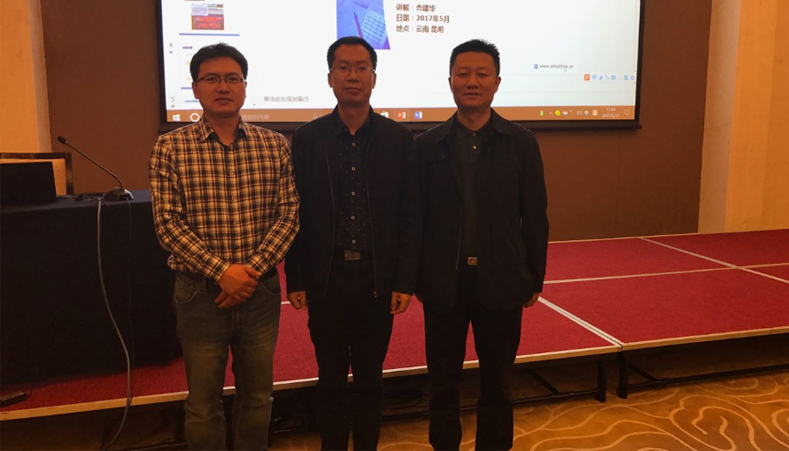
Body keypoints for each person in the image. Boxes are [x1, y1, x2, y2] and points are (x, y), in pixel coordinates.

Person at [149, 43, 299, 451]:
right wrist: (223, 273)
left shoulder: (275, 145)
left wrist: (248, 273)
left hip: (259, 293)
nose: (223, 86)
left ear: (245, 87)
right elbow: (167, 224)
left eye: (232, 78)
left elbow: (289, 215)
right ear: (195, 88)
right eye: (212, 79)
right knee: (202, 403)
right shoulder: (170, 147)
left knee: (258, 397)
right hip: (199, 294)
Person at [285, 36, 421, 451]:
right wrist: (296, 277)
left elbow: (410, 215)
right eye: (343, 67)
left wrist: (404, 280)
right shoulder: (307, 139)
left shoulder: (398, 139)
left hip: (376, 279)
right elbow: (295, 213)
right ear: (330, 78)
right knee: (329, 377)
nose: (353, 76)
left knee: (369, 378)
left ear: (374, 78)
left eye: (362, 68)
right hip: (326, 278)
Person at [415, 39, 549, 451]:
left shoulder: (521, 142)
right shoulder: (427, 145)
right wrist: (416, 278)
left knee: (498, 383)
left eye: (481, 74)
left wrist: (534, 278)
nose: (471, 81)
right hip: (444, 284)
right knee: (442, 383)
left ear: (497, 82)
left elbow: (535, 216)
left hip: (502, 281)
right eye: (463, 73)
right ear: (450, 81)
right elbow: (415, 219)